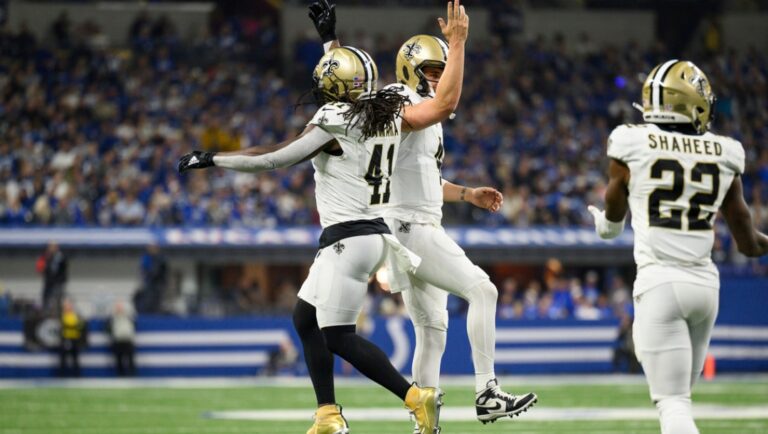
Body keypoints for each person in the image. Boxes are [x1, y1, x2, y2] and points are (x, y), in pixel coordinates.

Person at [178, 3, 469, 430]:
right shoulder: (383, 113)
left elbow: (273, 158)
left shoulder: (333, 120)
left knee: (338, 336)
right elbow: (352, 83)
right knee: (304, 317)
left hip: (349, 237)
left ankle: (415, 396)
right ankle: (328, 413)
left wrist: (214, 158)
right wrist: (329, 41)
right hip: (366, 234)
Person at [308, 0, 537, 425]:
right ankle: (487, 390)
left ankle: (423, 422)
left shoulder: (412, 113)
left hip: (412, 223)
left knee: (432, 331)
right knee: (483, 290)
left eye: (441, 69)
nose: (439, 78)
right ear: (410, 70)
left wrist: (466, 194)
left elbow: (422, 178)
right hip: (409, 227)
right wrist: (459, 42)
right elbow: (350, 90)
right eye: (433, 70)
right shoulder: (398, 98)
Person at [588, 59, 768, 434]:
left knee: (672, 405)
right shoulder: (725, 151)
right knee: (679, 402)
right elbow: (749, 243)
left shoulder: (632, 141)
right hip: (706, 288)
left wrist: (603, 225)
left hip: (660, 286)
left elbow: (613, 218)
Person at [107, 301, 136, 377]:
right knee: (119, 359)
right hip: (118, 340)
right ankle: (121, 375)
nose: (119, 309)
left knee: (130, 358)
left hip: (127, 340)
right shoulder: (113, 318)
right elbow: (108, 328)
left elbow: (134, 325)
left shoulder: (128, 317)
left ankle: (132, 375)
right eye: (118, 308)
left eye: (120, 308)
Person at [38, 241, 67, 313]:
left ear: (56, 247)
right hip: (48, 282)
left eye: (52, 247)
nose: (50, 249)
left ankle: (57, 313)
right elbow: (42, 268)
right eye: (49, 247)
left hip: (58, 283)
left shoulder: (60, 256)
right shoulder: (46, 257)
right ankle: (45, 313)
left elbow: (62, 268)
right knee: (46, 299)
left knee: (57, 299)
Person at [59, 299, 84, 377]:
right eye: (66, 307)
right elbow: (61, 328)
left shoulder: (76, 316)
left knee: (75, 358)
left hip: (74, 339)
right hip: (65, 339)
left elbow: (80, 326)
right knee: (63, 359)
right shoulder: (61, 316)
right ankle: (62, 375)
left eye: (69, 306)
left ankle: (77, 375)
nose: (68, 308)